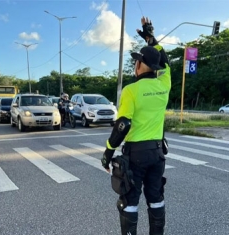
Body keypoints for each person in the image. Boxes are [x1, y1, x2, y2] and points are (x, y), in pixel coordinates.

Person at [101, 16, 171, 235]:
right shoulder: (164, 85)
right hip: (157, 153)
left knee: (130, 201)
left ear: (140, 65)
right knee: (156, 198)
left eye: (136, 61)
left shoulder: (131, 91)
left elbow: (123, 124)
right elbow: (165, 61)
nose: (135, 64)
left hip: (136, 156)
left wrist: (108, 151)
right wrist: (151, 37)